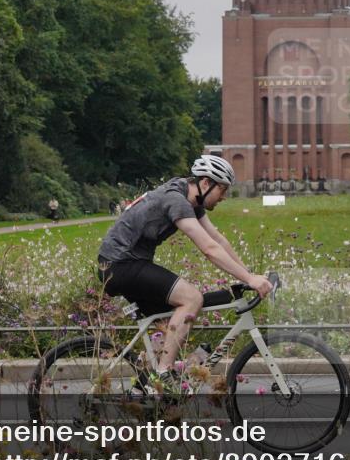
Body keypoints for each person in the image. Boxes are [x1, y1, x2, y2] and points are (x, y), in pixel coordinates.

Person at [97, 155, 272, 391]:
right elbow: (209, 249)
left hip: (123, 263)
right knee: (191, 298)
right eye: (222, 189)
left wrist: (249, 275)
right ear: (205, 183)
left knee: (169, 324)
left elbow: (217, 239)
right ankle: (163, 375)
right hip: (120, 264)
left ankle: (146, 386)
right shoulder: (176, 200)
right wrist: (249, 279)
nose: (224, 197)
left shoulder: (190, 200)